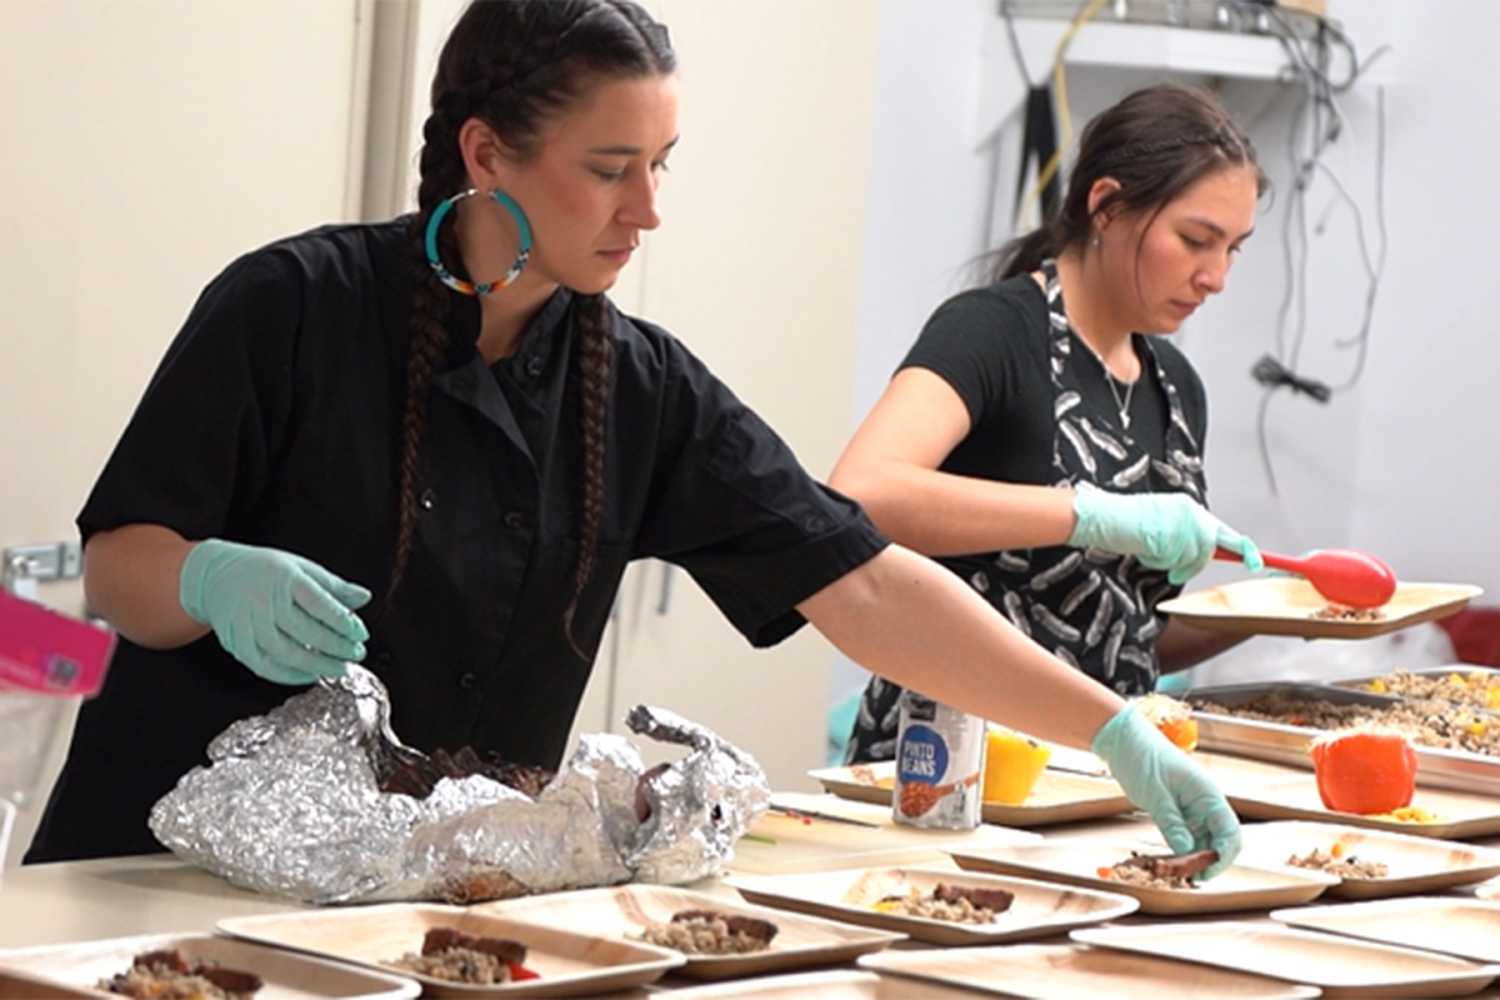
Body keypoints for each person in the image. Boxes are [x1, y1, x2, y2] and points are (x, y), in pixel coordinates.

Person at [27, 2, 1241, 878]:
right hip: (151, 878)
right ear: (487, 153)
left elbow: (864, 580)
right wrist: (202, 575)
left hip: (427, 908)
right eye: (612, 170)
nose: (647, 211)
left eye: (660, 167)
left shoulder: (634, 384)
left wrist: (1110, 728)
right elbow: (120, 564)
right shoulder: (292, 307)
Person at [834, 84, 1267, 766]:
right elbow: (863, 493)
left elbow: (1119, 633)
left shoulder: (1178, 391)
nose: (1215, 276)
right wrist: (1085, 514)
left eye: (1234, 248)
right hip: (954, 767)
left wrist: (1262, 613)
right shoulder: (994, 331)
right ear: (1106, 205)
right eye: (1194, 240)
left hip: (1098, 772)